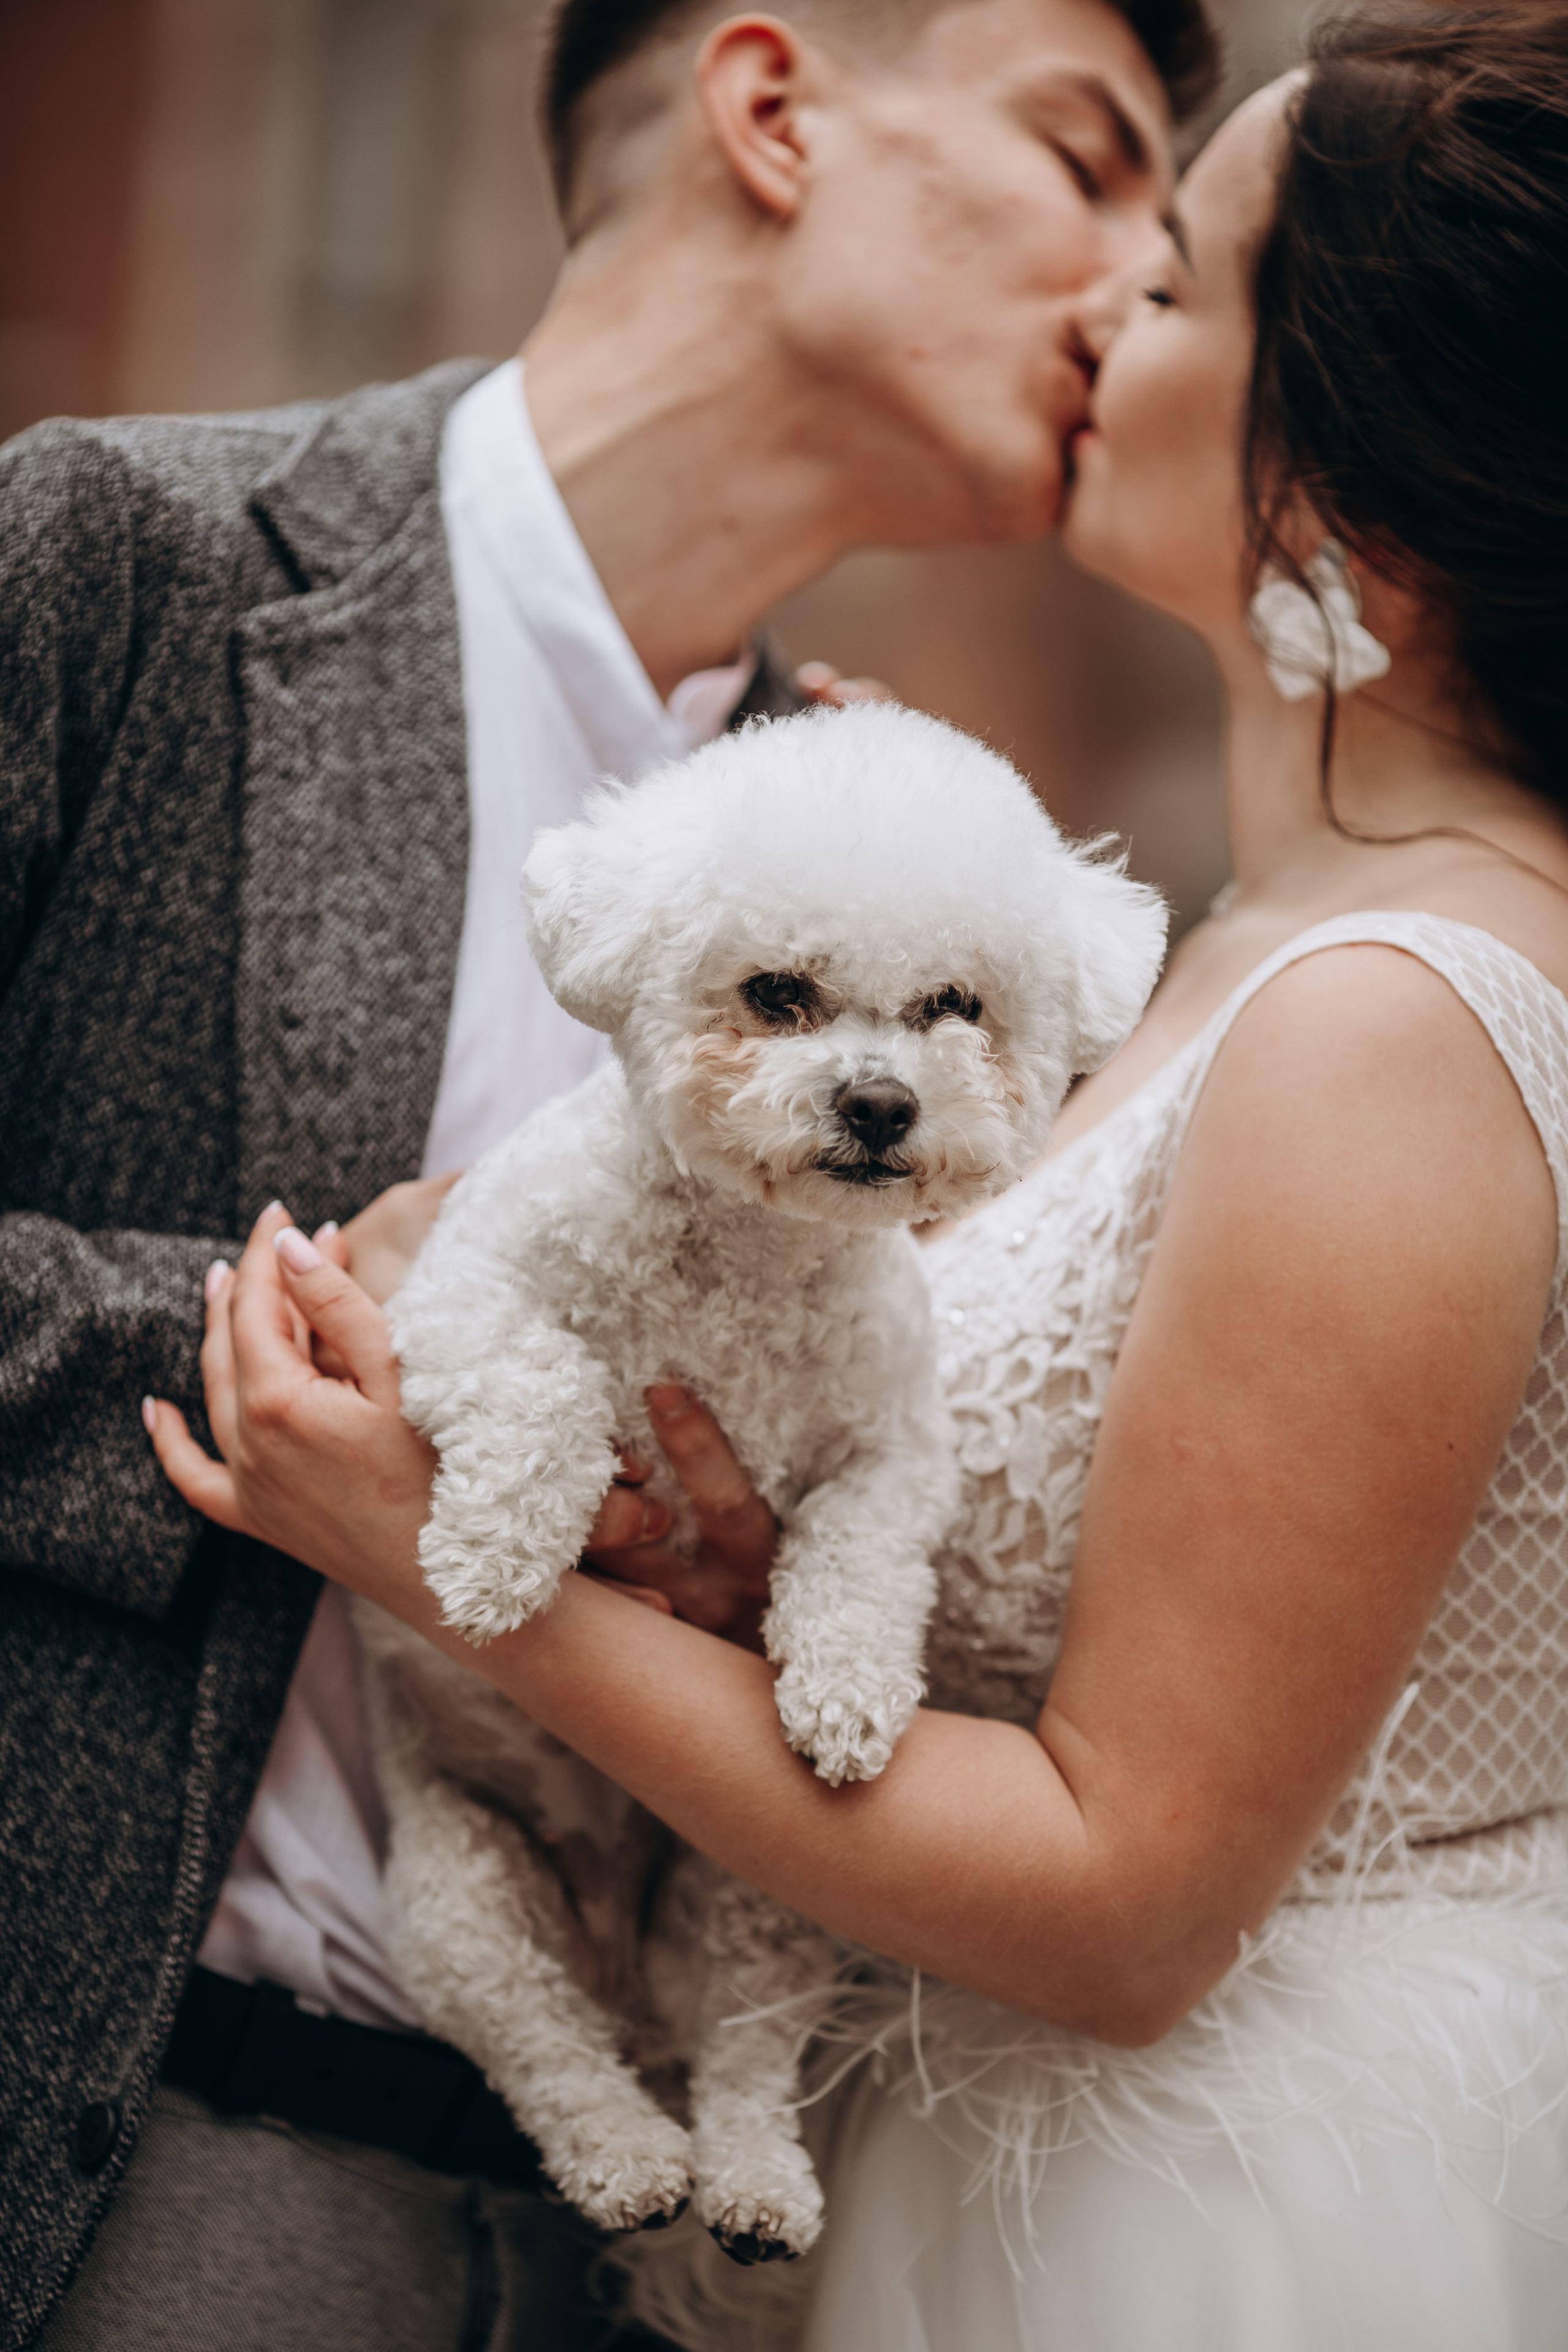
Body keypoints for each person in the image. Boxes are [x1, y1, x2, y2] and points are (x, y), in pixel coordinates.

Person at [152, 4, 1568, 2345]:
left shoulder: (1395, 1026)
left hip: (1203, 2220)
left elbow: (1127, 1900)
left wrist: (453, 1552)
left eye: (1186, 275)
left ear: (1338, 474)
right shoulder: (1234, 943)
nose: (1111, 301)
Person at [0, 0, 1219, 2343]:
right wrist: (289, 1358)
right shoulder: (115, 555)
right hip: (126, 2150)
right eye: (1090, 157)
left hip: (666, 2245)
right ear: (775, 111)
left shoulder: (879, 843)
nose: (1141, 279)